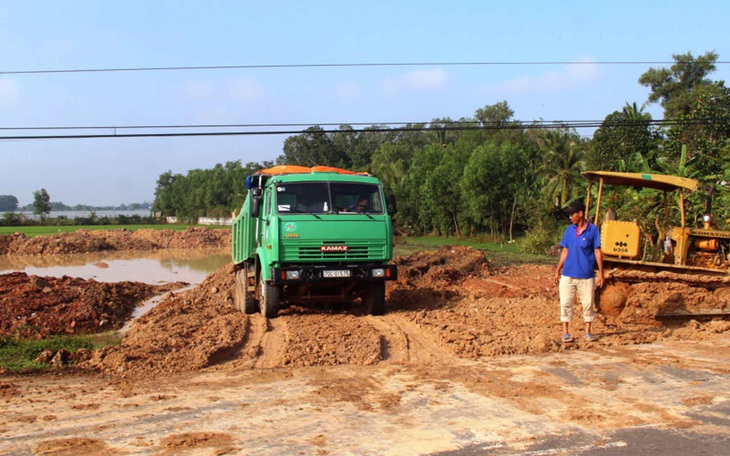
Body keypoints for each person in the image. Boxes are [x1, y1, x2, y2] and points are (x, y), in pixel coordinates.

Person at [554, 200, 604, 343]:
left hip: (586, 275)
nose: (570, 217)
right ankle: (565, 332)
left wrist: (601, 273)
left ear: (580, 214)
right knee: (565, 303)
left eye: (572, 214)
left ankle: (588, 331)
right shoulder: (569, 231)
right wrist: (558, 270)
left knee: (587, 303)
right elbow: (565, 251)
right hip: (568, 275)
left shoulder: (593, 230)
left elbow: (597, 251)